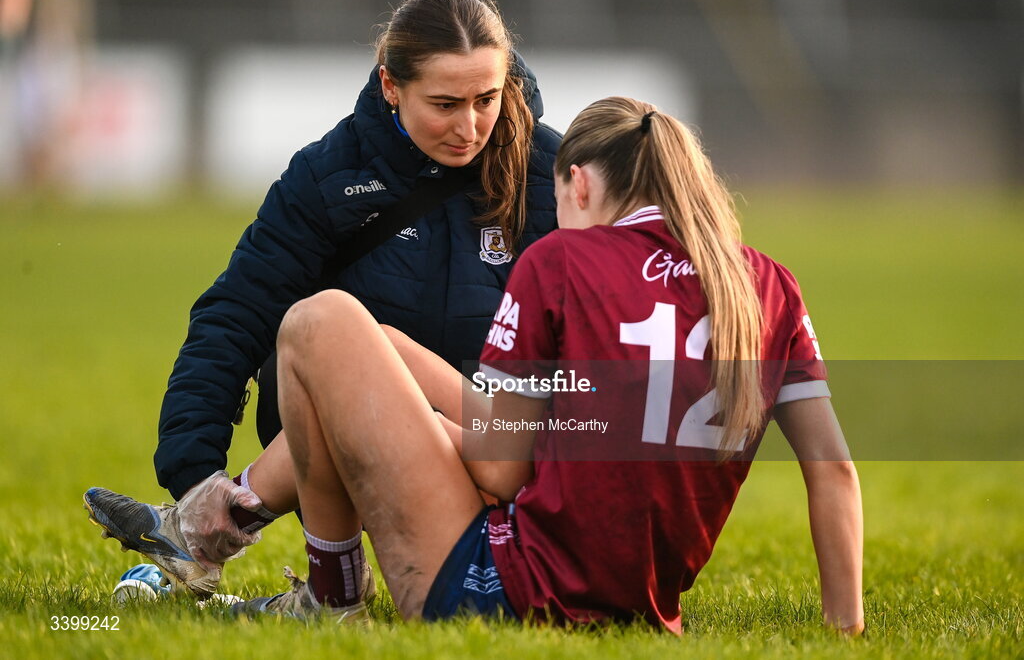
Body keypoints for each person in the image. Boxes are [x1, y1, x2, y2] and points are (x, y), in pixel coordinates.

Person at [120, 95, 864, 631]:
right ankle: (207, 528)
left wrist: (414, 430)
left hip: (503, 587)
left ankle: (324, 593)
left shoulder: (565, 259)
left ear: (575, 183)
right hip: (639, 602)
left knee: (321, 324)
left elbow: (501, 471)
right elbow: (832, 470)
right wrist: (844, 631)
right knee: (386, 349)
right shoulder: (766, 285)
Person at [84, 0, 560, 594]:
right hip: (360, 449)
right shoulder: (329, 176)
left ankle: (206, 540)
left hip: (509, 450)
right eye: (445, 104)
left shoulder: (555, 173)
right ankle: (263, 550)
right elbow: (237, 313)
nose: (470, 127)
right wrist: (193, 467)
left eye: (486, 100)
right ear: (391, 86)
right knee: (327, 331)